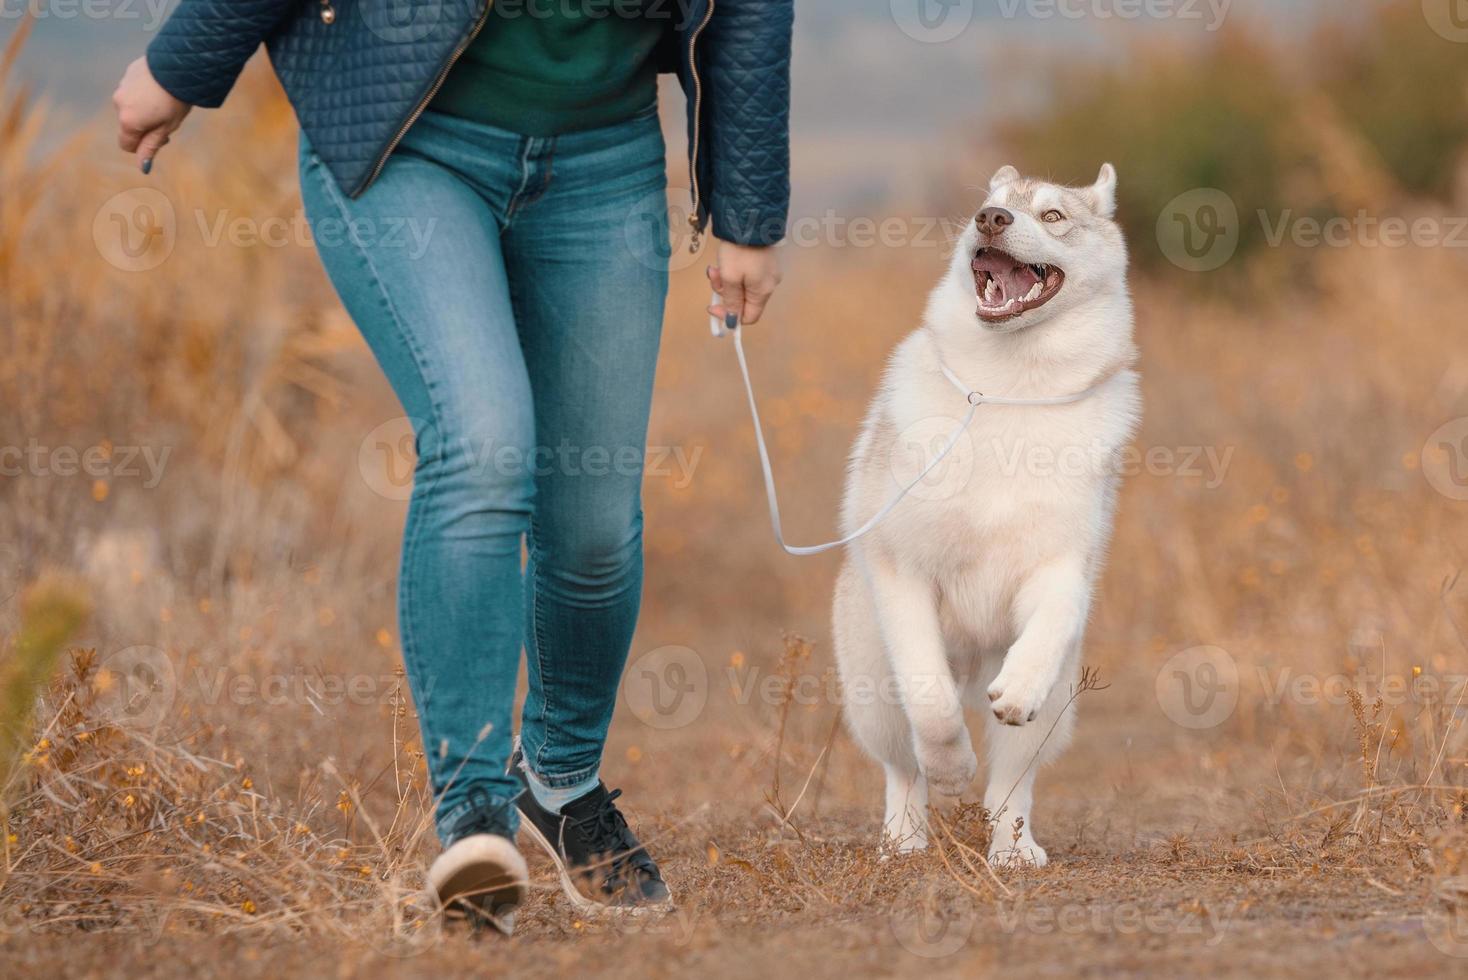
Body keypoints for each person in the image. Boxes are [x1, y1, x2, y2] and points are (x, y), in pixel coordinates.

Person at [112, 0, 791, 928]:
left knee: (592, 526)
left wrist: (748, 214)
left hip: (604, 158)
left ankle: (559, 785)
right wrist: (183, 61)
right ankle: (475, 818)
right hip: (408, 137)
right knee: (482, 443)